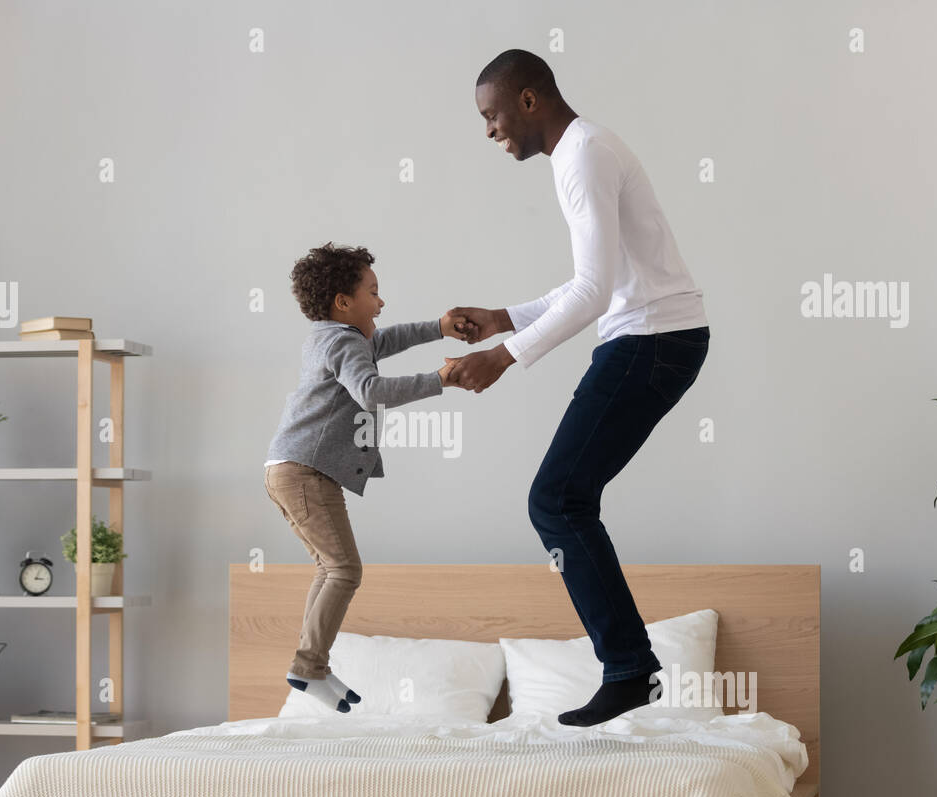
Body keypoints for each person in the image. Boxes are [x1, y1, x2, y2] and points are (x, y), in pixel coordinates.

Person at [446, 50, 711, 727]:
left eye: (492, 114)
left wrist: (506, 355)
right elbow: (597, 281)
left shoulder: (585, 154)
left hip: (652, 340)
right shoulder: (581, 153)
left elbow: (596, 294)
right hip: (654, 336)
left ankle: (628, 669)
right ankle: (629, 667)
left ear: (528, 101)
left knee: (556, 499)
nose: (488, 131)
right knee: (563, 498)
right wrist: (509, 318)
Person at [265, 241, 475, 711]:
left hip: (287, 469)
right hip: (305, 472)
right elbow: (371, 392)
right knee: (344, 570)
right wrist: (440, 380)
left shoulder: (330, 337)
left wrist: (439, 328)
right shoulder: (342, 341)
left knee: (331, 568)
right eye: (373, 293)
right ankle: (306, 667)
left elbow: (387, 340)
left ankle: (311, 667)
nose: (381, 303)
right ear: (344, 303)